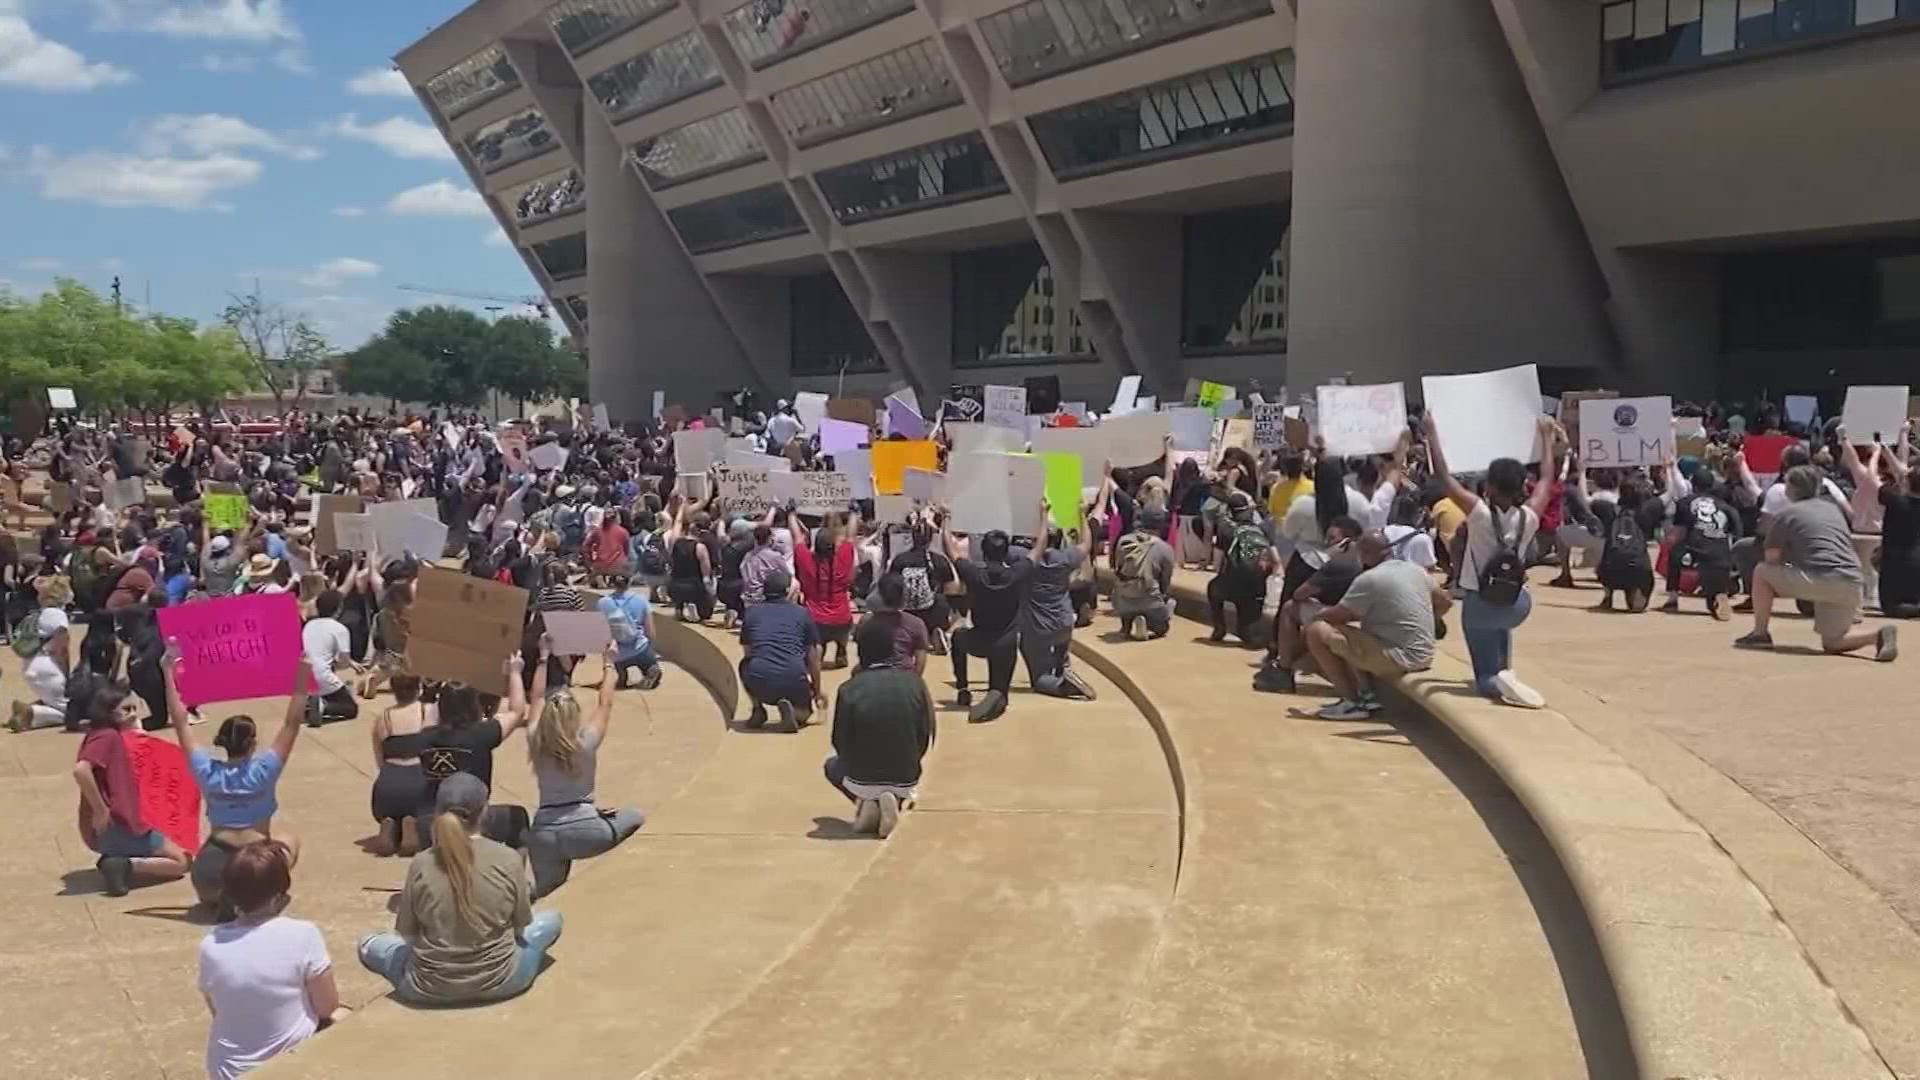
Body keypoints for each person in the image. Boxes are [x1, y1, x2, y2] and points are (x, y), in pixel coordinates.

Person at [358, 773, 563, 1006]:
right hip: (506, 980)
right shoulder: (508, 857)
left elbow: (408, 935)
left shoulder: (422, 863)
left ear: (438, 812)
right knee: (551, 920)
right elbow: (520, 926)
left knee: (369, 943)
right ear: (485, 811)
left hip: (427, 987)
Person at [1425, 412, 1559, 708]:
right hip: (1518, 603)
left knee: (1483, 678)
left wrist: (1431, 434)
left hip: (1480, 602)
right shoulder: (1531, 515)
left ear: (1490, 488)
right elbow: (1548, 477)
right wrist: (1546, 439)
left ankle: (1496, 681)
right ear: (1523, 486)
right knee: (1501, 630)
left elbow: (1444, 478)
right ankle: (1505, 672)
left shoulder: (1479, 515)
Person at [166, 646, 308, 919]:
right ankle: (256, 898)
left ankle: (223, 897)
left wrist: (167, 674)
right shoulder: (264, 770)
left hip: (209, 871)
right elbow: (292, 723)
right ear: (253, 744)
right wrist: (302, 675)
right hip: (253, 865)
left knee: (211, 891)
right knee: (290, 840)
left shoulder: (206, 771)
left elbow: (181, 722)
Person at [198, 840, 347, 1078]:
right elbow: (326, 1007)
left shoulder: (210, 945)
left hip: (228, 1071)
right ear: (278, 896)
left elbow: (218, 1009)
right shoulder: (303, 934)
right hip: (284, 1068)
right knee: (344, 1017)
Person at [1735, 465, 1898, 661]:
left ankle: (1760, 633)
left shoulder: (1788, 514)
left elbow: (1772, 560)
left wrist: (1790, 567)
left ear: (1791, 489)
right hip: (1851, 581)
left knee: (1762, 571)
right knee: (1833, 642)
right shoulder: (1833, 510)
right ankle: (1877, 636)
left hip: (1821, 578)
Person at [525, 643, 646, 897]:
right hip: (587, 829)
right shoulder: (586, 741)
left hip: (544, 832)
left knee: (546, 893)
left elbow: (535, 698)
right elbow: (605, 703)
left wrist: (544, 659)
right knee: (636, 817)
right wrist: (609, 662)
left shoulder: (536, 738)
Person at [1302, 530, 1447, 718]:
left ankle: (1352, 703)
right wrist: (1429, 618)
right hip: (1424, 653)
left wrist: (1316, 614)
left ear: (1365, 555)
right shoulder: (1416, 570)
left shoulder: (1368, 579)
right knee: (1352, 635)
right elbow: (1445, 601)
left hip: (1400, 656)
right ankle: (1366, 694)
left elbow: (1338, 616)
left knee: (1316, 631)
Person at [74, 685, 192, 895]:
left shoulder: (102, 734)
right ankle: (125, 864)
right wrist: (101, 809)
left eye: (135, 708)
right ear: (108, 712)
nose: (134, 714)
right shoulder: (107, 737)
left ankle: (116, 859)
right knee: (180, 862)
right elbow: (81, 770)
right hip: (118, 825)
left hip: (116, 825)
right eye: (126, 710)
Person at [824, 619, 936, 839]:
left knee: (831, 766)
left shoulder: (849, 688)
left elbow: (839, 741)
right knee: (898, 773)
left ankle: (866, 801)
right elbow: (926, 734)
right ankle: (892, 799)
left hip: (861, 776)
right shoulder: (915, 683)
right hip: (907, 774)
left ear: (861, 651)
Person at [1256, 516, 1364, 694]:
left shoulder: (1338, 563)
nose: (1327, 542)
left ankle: (1283, 669)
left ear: (1347, 540)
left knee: (1290, 608)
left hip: (1345, 616)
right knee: (1310, 625)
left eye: (1332, 538)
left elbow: (1300, 593)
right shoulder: (1364, 559)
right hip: (1357, 614)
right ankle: (1283, 664)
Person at [1018, 499, 1097, 699]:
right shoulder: (1065, 559)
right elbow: (1086, 543)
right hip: (1064, 624)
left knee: (1040, 679)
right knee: (1059, 649)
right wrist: (1082, 514)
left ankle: (1062, 685)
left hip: (1037, 629)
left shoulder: (1025, 561)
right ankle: (1063, 669)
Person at [950, 528, 1029, 723]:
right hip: (1005, 643)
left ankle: (962, 688)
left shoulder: (975, 574)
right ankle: (997, 693)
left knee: (958, 636)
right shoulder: (1016, 573)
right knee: (999, 689)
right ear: (1006, 553)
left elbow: (952, 550)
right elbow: (1038, 549)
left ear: (983, 552)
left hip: (978, 640)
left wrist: (946, 520)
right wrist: (1043, 518)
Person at [737, 568, 824, 731]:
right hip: (793, 679)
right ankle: (795, 714)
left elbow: (749, 653)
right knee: (806, 714)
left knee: (744, 665)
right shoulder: (802, 614)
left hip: (760, 679)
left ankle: (758, 707)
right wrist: (817, 692)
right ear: (787, 591)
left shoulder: (751, 613)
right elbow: (813, 659)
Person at [1662, 468, 1742, 619]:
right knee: (1714, 587)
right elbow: (1736, 534)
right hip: (1722, 557)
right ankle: (1720, 594)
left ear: (1693, 485)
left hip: (1696, 553)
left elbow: (1679, 533)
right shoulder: (1726, 507)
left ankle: (1672, 599)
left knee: (1674, 554)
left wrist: (1671, 543)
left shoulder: (1685, 502)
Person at [369, 675, 430, 857]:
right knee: (428, 802)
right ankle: (412, 821)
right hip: (418, 781)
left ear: (393, 691)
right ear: (418, 688)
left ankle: (389, 822)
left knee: (390, 802)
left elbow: (380, 761)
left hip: (387, 784)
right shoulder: (427, 712)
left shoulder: (383, 719)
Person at [1210, 490, 1277, 646]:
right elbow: (1275, 561)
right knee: (1248, 632)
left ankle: (1219, 627)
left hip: (1232, 584)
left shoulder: (1225, 529)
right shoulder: (1263, 529)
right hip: (1257, 588)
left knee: (1212, 587)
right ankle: (1248, 630)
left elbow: (1217, 563)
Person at [792, 511, 856, 669]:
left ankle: (818, 653)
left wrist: (791, 515)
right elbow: (850, 537)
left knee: (817, 640)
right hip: (842, 619)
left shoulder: (806, 560)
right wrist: (854, 514)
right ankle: (841, 648)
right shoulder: (843, 558)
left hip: (816, 621)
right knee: (842, 629)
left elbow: (798, 539)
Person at [1111, 506, 1177, 640]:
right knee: (1162, 629)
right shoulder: (1165, 548)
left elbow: (1117, 568)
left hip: (1124, 598)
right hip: (1150, 597)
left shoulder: (1124, 541)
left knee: (1122, 590)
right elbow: (1165, 583)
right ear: (1162, 524)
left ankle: (1127, 626)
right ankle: (1148, 624)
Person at [301, 591, 360, 727]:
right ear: (339, 609)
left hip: (302, 675)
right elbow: (344, 663)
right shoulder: (340, 629)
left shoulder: (309, 625)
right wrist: (342, 663)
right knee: (351, 708)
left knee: (327, 677)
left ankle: (311, 704)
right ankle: (323, 707)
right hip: (321, 675)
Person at [9, 604, 71, 732]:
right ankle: (32, 711)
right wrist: (66, 673)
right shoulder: (57, 614)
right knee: (71, 713)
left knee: (54, 702)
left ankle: (31, 710)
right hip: (47, 667)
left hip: (30, 664)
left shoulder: (38, 614)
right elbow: (61, 648)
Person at [598, 574, 664, 690]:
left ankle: (621, 675)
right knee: (649, 662)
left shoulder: (603, 603)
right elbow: (650, 631)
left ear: (612, 584)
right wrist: (652, 650)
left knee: (615, 659)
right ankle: (650, 669)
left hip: (617, 653)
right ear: (629, 582)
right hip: (640, 648)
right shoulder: (641, 600)